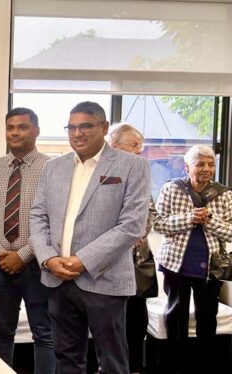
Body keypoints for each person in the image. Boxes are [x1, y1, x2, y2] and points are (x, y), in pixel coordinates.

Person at [29, 101, 151, 374]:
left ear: (104, 128)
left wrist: (82, 260)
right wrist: (48, 258)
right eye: (71, 127)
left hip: (104, 280)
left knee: (112, 361)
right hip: (58, 279)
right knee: (67, 358)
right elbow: (37, 217)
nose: (77, 133)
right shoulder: (54, 167)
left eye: (85, 126)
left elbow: (132, 225)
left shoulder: (132, 166)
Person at [0, 108, 55, 373]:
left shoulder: (53, 168)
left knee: (44, 332)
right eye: (10, 127)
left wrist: (22, 255)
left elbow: (53, 221)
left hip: (38, 264)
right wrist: (1, 252)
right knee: (2, 331)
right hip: (0, 264)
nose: (15, 132)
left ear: (36, 130)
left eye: (22, 127)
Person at [153, 145, 232, 374]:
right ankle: (174, 365)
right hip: (175, 264)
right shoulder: (171, 189)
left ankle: (204, 366)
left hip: (211, 267)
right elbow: (158, 224)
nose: (206, 169)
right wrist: (189, 218)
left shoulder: (225, 194)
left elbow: (230, 231)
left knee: (208, 318)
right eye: (200, 164)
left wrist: (210, 220)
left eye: (211, 164)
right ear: (187, 167)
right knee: (175, 314)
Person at [108, 123, 158, 374]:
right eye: (134, 144)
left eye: (141, 145)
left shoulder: (141, 173)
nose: (140, 150)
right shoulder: (101, 175)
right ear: (114, 146)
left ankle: (135, 368)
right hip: (109, 263)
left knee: (138, 322)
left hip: (137, 263)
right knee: (110, 324)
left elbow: (150, 211)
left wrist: (139, 231)